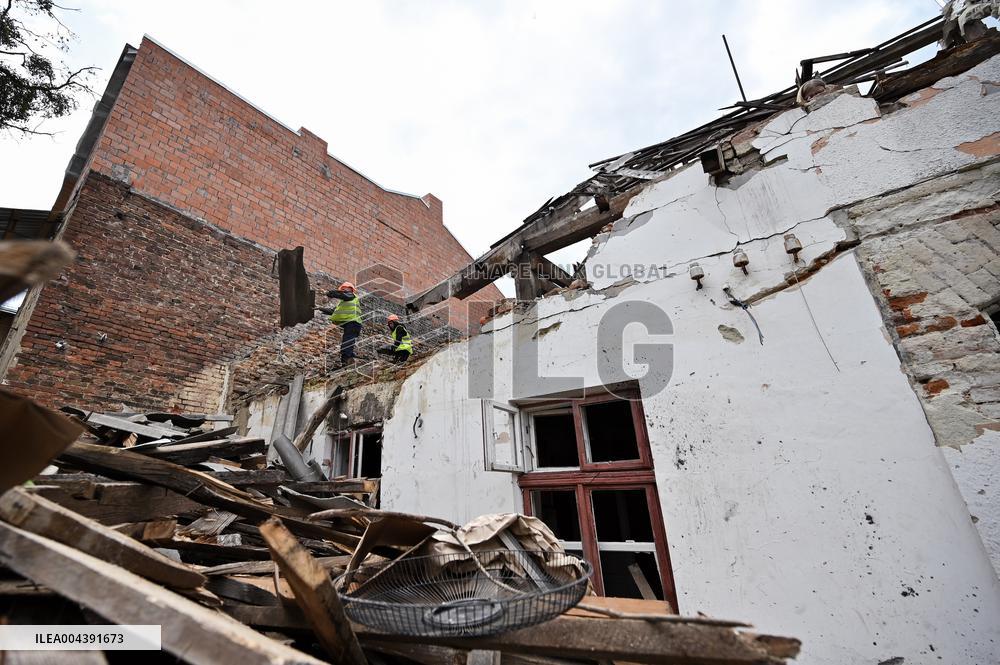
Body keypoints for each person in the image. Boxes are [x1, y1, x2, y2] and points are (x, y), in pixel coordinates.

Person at [317, 281, 362, 366]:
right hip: (351, 323)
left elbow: (342, 295)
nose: (343, 290)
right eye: (343, 289)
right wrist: (320, 308)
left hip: (354, 323)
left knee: (348, 340)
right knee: (348, 340)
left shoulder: (351, 296)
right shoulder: (344, 302)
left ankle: (347, 359)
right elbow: (333, 311)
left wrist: (329, 293)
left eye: (345, 289)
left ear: (350, 289)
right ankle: (347, 359)